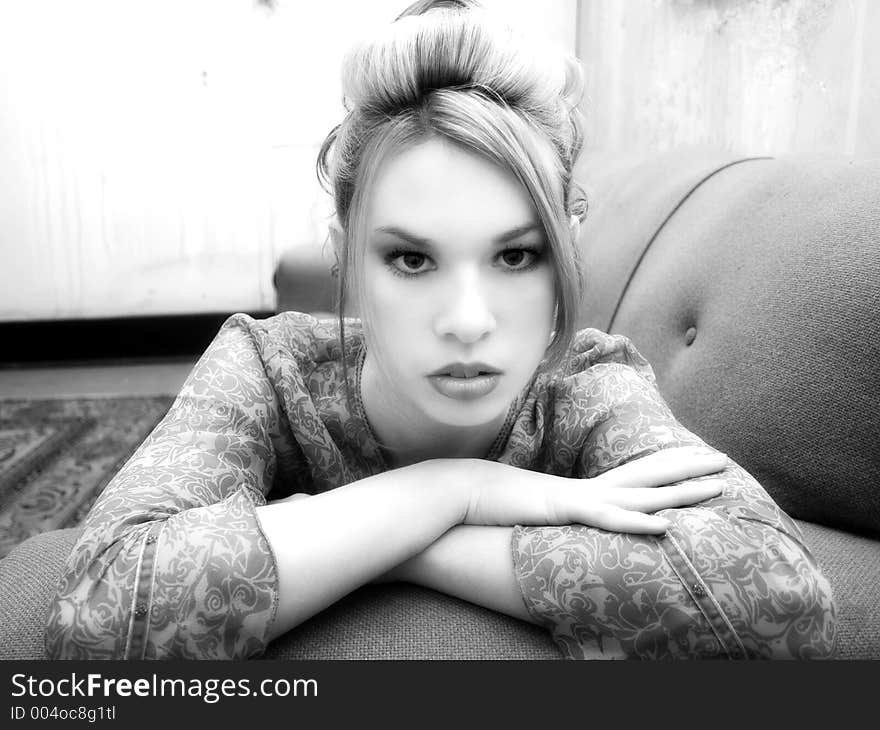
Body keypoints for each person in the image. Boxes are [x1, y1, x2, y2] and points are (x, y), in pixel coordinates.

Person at [45, 0, 835, 660]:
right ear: (346, 259)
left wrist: (392, 540)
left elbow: (781, 600)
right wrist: (457, 488)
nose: (468, 321)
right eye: (412, 259)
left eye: (517, 255)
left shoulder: (590, 385)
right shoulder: (264, 366)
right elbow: (100, 616)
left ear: (566, 250)